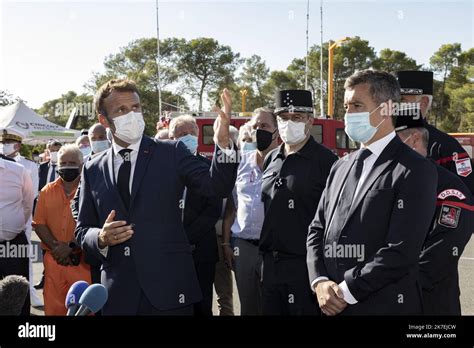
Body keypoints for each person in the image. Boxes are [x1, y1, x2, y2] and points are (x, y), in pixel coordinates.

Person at [75, 79, 238, 315]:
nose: (131, 115)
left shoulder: (171, 152)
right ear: (104, 120)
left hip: (170, 292)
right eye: (121, 110)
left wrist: (223, 144)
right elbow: (82, 230)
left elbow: (216, 188)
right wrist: (100, 238)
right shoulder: (92, 168)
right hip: (118, 296)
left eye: (135, 107)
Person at [307, 70, 438, 316]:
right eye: (346, 106)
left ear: (387, 109)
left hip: (382, 305)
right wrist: (320, 281)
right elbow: (317, 228)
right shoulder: (340, 165)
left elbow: (401, 249)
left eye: (357, 105)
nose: (348, 114)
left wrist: (345, 291)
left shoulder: (415, 169)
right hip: (329, 303)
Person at [259, 90, 338, 315]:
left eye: (297, 117)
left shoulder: (327, 162)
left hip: (305, 268)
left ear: (310, 121)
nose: (288, 123)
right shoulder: (271, 159)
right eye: (283, 118)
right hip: (270, 266)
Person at [395, 110, 474, 315]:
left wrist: (388, 285)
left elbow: (439, 255)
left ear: (414, 139)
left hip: (431, 303)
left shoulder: (448, 187)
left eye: (391, 140)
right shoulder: (389, 182)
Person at [222, 107, 279, 315]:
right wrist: (227, 243)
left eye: (264, 126)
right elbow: (231, 208)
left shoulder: (287, 164)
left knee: (272, 306)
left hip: (274, 249)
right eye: (255, 126)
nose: (259, 130)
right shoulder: (240, 165)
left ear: (277, 130)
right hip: (243, 247)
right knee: (248, 306)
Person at [169, 115, 222, 316]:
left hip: (201, 251)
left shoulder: (208, 168)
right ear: (172, 138)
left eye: (191, 133)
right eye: (182, 134)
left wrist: (186, 238)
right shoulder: (163, 169)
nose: (187, 137)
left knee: (201, 304)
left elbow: (213, 209)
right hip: (169, 251)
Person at [33, 144, 91, 315]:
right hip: (54, 261)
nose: (67, 167)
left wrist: (71, 247)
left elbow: (93, 224)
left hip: (82, 263)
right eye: (63, 163)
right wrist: (57, 248)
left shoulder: (91, 190)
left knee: (84, 309)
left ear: (81, 165)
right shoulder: (46, 191)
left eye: (72, 162)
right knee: (54, 308)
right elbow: (39, 223)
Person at [397, 70, 474, 194]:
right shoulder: (383, 140)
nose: (394, 106)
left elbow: (466, 193)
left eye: (401, 100)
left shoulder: (446, 146)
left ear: (423, 103)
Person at [0, 128, 42, 307]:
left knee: (18, 288)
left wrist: (14, 225)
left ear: (17, 145)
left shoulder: (22, 168)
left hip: (16, 236)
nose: (4, 146)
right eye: (2, 143)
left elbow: (28, 202)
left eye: (7, 143)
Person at [0, 153, 34, 315]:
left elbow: (27, 205)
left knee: (19, 292)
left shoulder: (18, 171)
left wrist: (11, 227)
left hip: (13, 243)